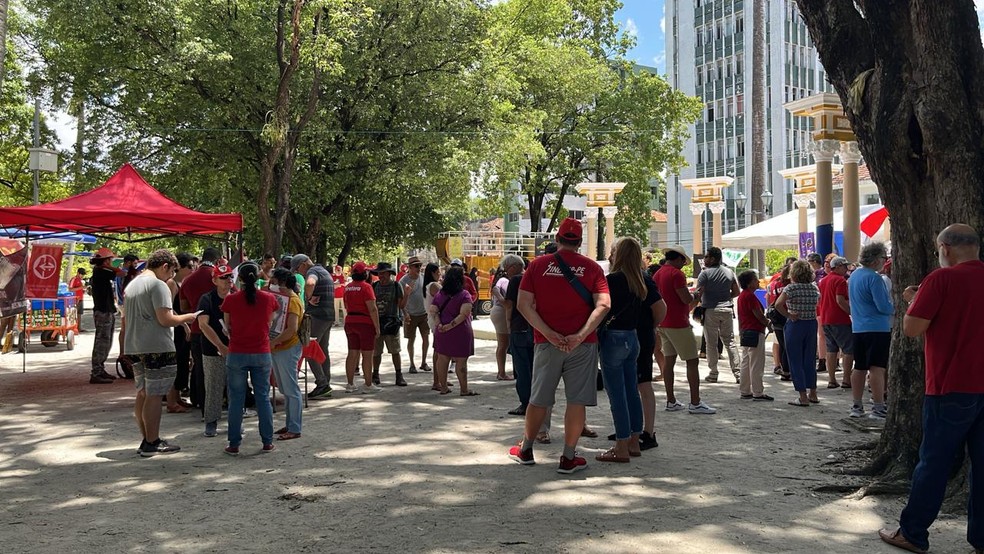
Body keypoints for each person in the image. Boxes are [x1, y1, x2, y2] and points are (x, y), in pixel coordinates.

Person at [879, 223, 984, 554]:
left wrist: (915, 299)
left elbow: (912, 328)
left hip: (950, 385)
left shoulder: (941, 279)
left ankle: (913, 532)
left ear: (945, 248)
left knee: (934, 463)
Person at [509, 218, 610, 474]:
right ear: (579, 241)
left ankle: (527, 449)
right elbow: (604, 305)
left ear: (557, 237)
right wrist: (580, 334)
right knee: (576, 401)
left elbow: (523, 304)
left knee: (539, 399)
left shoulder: (538, 266)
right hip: (583, 345)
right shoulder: (592, 268)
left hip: (546, 344)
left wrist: (548, 333)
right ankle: (567, 457)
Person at [126, 249, 199, 457]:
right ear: (165, 266)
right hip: (156, 346)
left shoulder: (134, 283)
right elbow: (165, 319)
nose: (172, 277)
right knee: (155, 394)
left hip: (135, 345)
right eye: (172, 272)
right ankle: (152, 441)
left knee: (143, 392)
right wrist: (188, 317)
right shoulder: (158, 285)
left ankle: (146, 438)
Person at [596, 237, 657, 463]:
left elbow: (600, 309)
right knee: (632, 391)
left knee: (617, 395)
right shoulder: (641, 280)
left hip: (613, 338)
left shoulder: (612, 280)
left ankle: (621, 444)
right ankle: (633, 440)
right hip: (633, 337)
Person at [221, 262, 278, 455]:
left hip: (237, 352)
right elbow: (271, 320)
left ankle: (234, 443)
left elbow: (228, 326)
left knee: (236, 399)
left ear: (241, 279)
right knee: (263, 397)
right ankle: (267, 441)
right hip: (262, 352)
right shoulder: (269, 298)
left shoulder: (231, 300)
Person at [654, 246, 716, 414]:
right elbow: (685, 298)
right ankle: (695, 402)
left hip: (663, 322)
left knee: (669, 361)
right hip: (678, 323)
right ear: (679, 258)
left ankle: (671, 400)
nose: (683, 265)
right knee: (692, 361)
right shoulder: (676, 274)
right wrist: (696, 295)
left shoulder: (657, 274)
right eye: (683, 261)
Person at [848, 242, 893, 419]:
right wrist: (896, 306)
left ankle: (857, 406)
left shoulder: (854, 275)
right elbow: (883, 306)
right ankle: (878, 406)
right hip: (878, 328)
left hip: (858, 327)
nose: (885, 261)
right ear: (875, 259)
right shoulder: (874, 278)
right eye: (884, 257)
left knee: (859, 367)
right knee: (877, 368)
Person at [775, 260, 821, 407]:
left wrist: (789, 315)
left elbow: (777, 305)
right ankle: (813, 392)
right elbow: (817, 302)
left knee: (795, 360)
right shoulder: (814, 288)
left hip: (795, 325)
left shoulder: (790, 288)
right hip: (811, 323)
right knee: (810, 359)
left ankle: (802, 396)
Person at [180, 247, 221, 411]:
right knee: (216, 370)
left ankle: (199, 400)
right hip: (217, 329)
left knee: (199, 366)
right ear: (217, 260)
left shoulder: (188, 280)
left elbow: (183, 307)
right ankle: (214, 404)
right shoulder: (218, 277)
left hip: (196, 328)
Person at [267, 268, 304, 440]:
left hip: (287, 348)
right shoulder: (282, 298)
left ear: (281, 283)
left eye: (273, 281)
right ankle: (290, 424)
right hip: (279, 348)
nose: (270, 283)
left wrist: (273, 342)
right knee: (285, 388)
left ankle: (294, 428)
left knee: (291, 389)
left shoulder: (293, 301)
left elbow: (291, 330)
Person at [292, 254, 336, 399]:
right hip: (328, 315)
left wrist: (309, 298)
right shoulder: (323, 270)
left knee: (309, 348)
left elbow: (310, 283)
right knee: (323, 350)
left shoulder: (313, 272)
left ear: (304, 264)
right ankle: (326, 383)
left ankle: (322, 384)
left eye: (298, 269)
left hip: (317, 316)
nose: (299, 273)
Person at [694, 246, 741, 384]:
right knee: (730, 342)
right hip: (727, 309)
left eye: (707, 257)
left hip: (710, 310)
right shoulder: (729, 272)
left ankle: (713, 373)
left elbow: (699, 293)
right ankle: (738, 374)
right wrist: (726, 297)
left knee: (711, 343)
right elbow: (737, 292)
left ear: (713, 258)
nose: (705, 259)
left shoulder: (705, 274)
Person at [197, 264, 233, 437]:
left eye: (229, 277)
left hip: (236, 349)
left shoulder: (236, 297)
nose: (227, 281)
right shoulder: (207, 299)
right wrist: (220, 346)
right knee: (213, 385)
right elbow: (203, 324)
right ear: (215, 280)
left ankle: (235, 420)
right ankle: (211, 421)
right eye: (223, 277)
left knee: (236, 386)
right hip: (212, 349)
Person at [429, 266, 477, 396]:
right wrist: (451, 325)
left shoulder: (440, 294)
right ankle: (464, 389)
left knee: (442, 359)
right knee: (461, 362)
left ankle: (443, 387)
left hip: (442, 331)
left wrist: (440, 325)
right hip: (460, 332)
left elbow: (433, 310)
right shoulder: (464, 295)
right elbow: (464, 313)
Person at [343, 262, 381, 393]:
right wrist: (377, 327)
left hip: (350, 321)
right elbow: (373, 309)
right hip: (365, 322)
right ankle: (368, 384)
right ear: (364, 273)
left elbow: (346, 305)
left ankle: (350, 384)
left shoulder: (347, 287)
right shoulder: (367, 287)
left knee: (352, 353)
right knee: (367, 354)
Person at [165, 252, 196, 413]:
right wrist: (184, 324)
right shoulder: (172, 283)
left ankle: (176, 397)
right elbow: (168, 308)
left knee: (182, 362)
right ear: (180, 267)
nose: (193, 269)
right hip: (175, 330)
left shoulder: (182, 283)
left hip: (181, 329)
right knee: (176, 363)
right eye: (190, 266)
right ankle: (171, 401)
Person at [737, 270, 773, 401]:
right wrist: (767, 323)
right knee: (757, 363)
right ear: (749, 283)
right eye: (755, 280)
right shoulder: (750, 296)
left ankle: (745, 389)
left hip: (746, 331)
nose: (757, 282)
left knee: (746, 362)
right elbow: (757, 314)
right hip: (755, 331)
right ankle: (758, 391)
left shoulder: (742, 296)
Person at [818, 256, 854, 389]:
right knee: (848, 349)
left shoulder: (823, 281)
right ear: (838, 266)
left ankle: (831, 379)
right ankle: (846, 379)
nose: (846, 269)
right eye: (845, 266)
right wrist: (851, 312)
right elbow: (840, 300)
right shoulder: (840, 281)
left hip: (826, 318)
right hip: (839, 319)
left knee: (831, 349)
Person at [89, 248, 122, 384]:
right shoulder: (101, 271)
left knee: (106, 342)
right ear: (105, 261)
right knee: (102, 342)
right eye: (110, 260)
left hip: (106, 310)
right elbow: (121, 273)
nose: (112, 262)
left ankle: (100, 369)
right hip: (103, 311)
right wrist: (109, 267)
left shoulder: (100, 272)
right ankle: (96, 371)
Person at [371, 262, 406, 387]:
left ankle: (399, 375)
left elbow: (401, 305)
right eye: (379, 273)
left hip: (392, 323)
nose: (381, 276)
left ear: (389, 273)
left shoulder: (396, 286)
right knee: (376, 352)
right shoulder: (374, 286)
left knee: (395, 351)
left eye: (384, 273)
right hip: (377, 323)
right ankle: (375, 375)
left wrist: (407, 294)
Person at [399, 256, 431, 373]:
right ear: (410, 267)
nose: (419, 268)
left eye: (420, 265)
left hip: (423, 314)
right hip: (410, 314)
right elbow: (400, 300)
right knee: (411, 339)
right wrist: (405, 313)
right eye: (416, 266)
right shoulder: (403, 281)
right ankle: (412, 364)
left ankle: (424, 362)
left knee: (426, 338)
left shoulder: (423, 278)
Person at [489, 260, 514, 381]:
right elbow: (497, 290)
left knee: (502, 344)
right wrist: (504, 302)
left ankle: (501, 372)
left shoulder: (499, 280)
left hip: (497, 311)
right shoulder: (505, 281)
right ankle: (502, 372)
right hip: (501, 312)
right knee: (504, 344)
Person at [422, 263, 443, 390]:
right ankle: (437, 381)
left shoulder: (428, 285)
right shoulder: (433, 285)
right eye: (438, 273)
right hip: (436, 319)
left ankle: (441, 378)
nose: (440, 275)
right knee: (439, 351)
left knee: (441, 351)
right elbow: (444, 298)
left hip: (432, 318)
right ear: (433, 273)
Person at [68, 267, 87, 332]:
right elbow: (70, 289)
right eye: (81, 274)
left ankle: (79, 327)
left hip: (80, 298)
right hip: (75, 299)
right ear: (78, 273)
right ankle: (73, 328)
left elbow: (79, 289)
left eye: (83, 274)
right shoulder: (74, 279)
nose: (82, 276)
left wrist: (83, 290)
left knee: (79, 314)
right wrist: (80, 288)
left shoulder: (80, 280)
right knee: (74, 314)